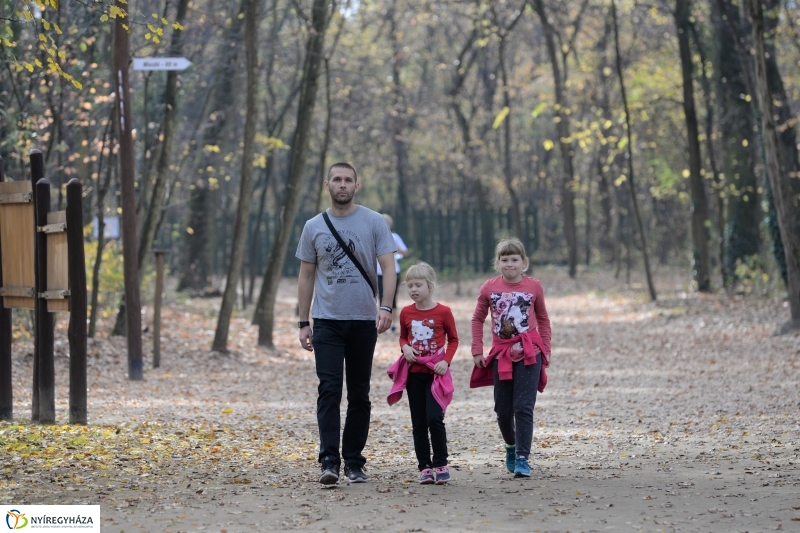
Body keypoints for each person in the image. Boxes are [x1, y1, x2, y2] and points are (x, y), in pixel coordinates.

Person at [296, 162, 397, 485]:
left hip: (363, 320)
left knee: (359, 393)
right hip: (327, 320)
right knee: (329, 390)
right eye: (337, 180)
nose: (342, 185)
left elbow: (389, 267)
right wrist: (303, 321)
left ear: (357, 185)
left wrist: (386, 307)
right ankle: (329, 461)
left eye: (348, 180)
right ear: (327, 185)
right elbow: (306, 275)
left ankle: (354, 461)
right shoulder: (313, 226)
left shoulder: (373, 221)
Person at [469, 238, 551, 478]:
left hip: (529, 353)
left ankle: (523, 458)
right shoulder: (489, 288)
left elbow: (543, 319)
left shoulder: (534, 286)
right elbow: (477, 319)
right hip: (501, 354)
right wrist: (477, 349)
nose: (510, 264)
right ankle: (511, 446)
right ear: (498, 263)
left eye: (514, 259)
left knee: (523, 406)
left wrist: (545, 348)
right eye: (505, 260)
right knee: (503, 410)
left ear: (524, 262)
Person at [387, 262, 458, 484]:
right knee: (418, 422)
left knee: (435, 418)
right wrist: (405, 348)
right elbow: (403, 337)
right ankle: (424, 467)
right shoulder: (406, 312)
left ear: (430, 286)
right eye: (410, 286)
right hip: (414, 375)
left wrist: (446, 362)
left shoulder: (443, 312)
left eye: (418, 285)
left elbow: (454, 340)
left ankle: (441, 463)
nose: (413, 290)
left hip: (436, 374)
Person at [376, 214, 408, 331]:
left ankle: (393, 324)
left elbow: (405, 252)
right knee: (380, 297)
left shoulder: (395, 237)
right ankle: (381, 323)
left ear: (390, 224)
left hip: (393, 271)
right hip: (377, 272)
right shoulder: (373, 236)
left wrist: (394, 248)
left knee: (392, 298)